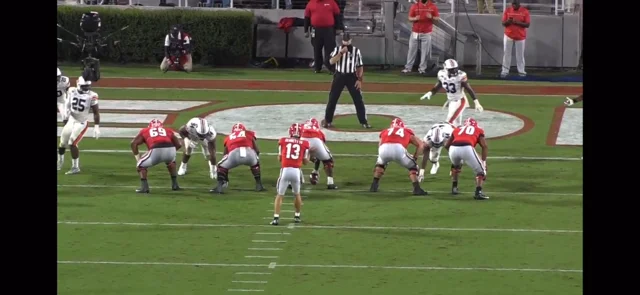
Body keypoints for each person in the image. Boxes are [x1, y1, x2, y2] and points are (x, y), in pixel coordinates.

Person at [322, 33, 371, 129]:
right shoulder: (337, 49)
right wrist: (340, 53)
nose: (346, 42)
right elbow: (331, 61)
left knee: (358, 100)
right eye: (345, 40)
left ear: (351, 40)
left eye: (348, 40)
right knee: (332, 99)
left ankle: (363, 121)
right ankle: (328, 120)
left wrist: (360, 80)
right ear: (342, 41)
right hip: (339, 75)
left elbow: (360, 66)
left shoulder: (356, 51)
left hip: (351, 76)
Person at [370, 118, 427, 195]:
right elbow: (420, 145)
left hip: (383, 149)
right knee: (413, 166)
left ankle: (374, 185)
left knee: (380, 164)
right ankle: (417, 188)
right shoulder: (406, 131)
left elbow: (380, 145)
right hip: (398, 148)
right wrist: (415, 157)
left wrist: (383, 158)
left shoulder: (385, 131)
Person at [420, 59, 484, 126]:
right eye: (451, 69)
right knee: (456, 124)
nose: (454, 71)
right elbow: (439, 85)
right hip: (451, 101)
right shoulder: (441, 74)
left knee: (449, 122)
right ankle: (459, 135)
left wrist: (477, 103)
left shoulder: (461, 75)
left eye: (455, 69)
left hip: (460, 100)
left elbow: (468, 89)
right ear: (445, 68)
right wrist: (430, 92)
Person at [57, 77, 101, 174]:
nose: (86, 88)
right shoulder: (72, 91)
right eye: (84, 86)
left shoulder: (92, 95)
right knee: (62, 143)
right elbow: (67, 104)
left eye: (88, 86)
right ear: (78, 84)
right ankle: (59, 162)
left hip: (81, 122)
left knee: (72, 142)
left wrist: (96, 126)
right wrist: (65, 116)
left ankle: (75, 167)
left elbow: (96, 112)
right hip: (71, 120)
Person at [271, 123, 311, 226]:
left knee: (280, 195)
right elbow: (306, 162)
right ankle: (297, 216)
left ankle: (276, 218)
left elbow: (279, 158)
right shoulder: (305, 143)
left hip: (285, 170)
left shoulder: (283, 141)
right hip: (296, 171)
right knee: (297, 194)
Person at [211, 123, 266, 194]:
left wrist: (226, 173)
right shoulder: (248, 133)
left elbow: (225, 154)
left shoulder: (229, 137)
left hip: (234, 154)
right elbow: (257, 150)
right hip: (249, 154)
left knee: (221, 166)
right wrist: (255, 162)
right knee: (256, 163)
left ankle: (219, 187)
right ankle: (259, 185)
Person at [130, 119, 183, 193]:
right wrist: (169, 153)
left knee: (140, 165)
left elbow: (133, 143)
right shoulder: (167, 130)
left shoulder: (145, 130)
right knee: (171, 162)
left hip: (156, 149)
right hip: (170, 149)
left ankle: (144, 188)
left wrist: (138, 159)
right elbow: (179, 145)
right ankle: (175, 185)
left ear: (150, 126)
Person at [444, 117, 489, 200]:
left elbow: (446, 145)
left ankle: (454, 188)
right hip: (467, 147)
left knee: (456, 166)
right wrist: (484, 161)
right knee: (481, 171)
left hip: (453, 148)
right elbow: (484, 146)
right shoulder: (478, 129)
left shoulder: (457, 129)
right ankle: (478, 192)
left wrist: (453, 154)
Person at [401, 0, 439, 75]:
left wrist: (431, 17)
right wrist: (415, 18)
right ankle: (408, 68)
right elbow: (409, 18)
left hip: (426, 33)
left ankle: (422, 69)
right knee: (411, 51)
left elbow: (437, 19)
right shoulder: (415, 6)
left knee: (425, 52)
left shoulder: (433, 6)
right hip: (415, 32)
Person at [304, 0, 342, 74]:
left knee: (330, 49)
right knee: (316, 49)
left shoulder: (331, 2)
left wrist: (338, 28)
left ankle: (331, 67)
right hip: (315, 29)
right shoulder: (311, 3)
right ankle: (317, 68)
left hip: (329, 30)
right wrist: (306, 30)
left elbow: (337, 15)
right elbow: (307, 17)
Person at [301, 118, 337, 189]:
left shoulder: (301, 128)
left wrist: (309, 155)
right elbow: (319, 153)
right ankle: (330, 183)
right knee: (328, 161)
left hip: (302, 139)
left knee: (294, 158)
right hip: (316, 141)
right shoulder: (319, 132)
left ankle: (292, 182)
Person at [500, 0, 530, 78]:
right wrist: (508, 22)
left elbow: (527, 24)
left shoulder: (525, 11)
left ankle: (521, 72)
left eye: (515, 4)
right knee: (506, 54)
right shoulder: (507, 10)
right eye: (512, 4)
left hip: (520, 36)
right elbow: (503, 23)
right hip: (508, 35)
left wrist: (517, 23)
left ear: (519, 3)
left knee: (520, 55)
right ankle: (505, 71)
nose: (514, 5)